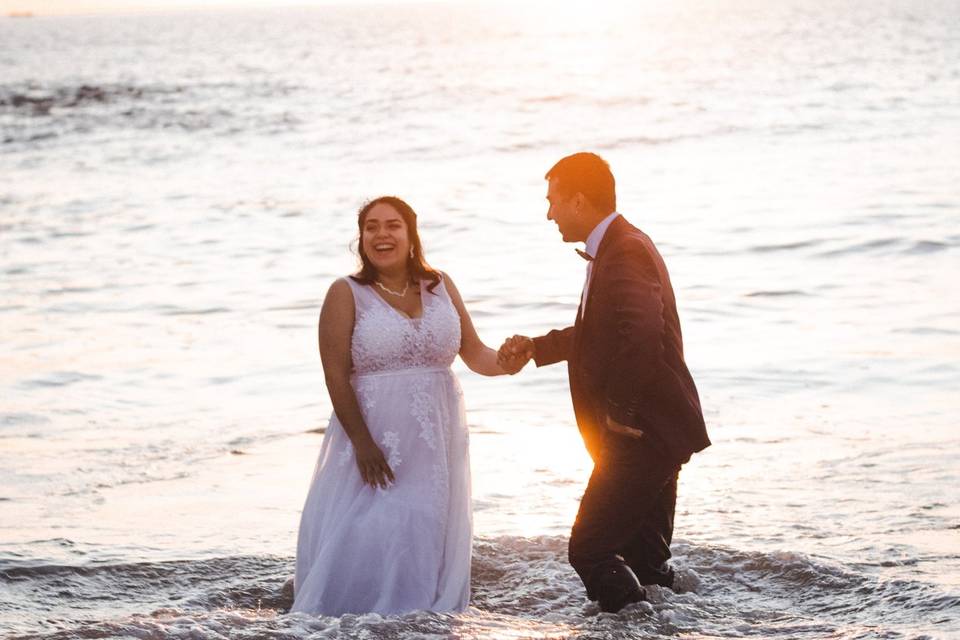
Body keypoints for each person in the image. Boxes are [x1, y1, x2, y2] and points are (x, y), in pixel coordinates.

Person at [498, 152, 711, 613]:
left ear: (578, 200)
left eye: (552, 200)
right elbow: (607, 331)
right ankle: (676, 622)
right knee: (646, 562)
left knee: (589, 550)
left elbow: (643, 331)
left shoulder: (626, 249)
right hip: (660, 431)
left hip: (640, 433)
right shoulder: (620, 243)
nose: (549, 212)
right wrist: (539, 346)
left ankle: (640, 627)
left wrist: (620, 411)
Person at [293, 196, 521, 616]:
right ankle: (351, 619)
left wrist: (508, 362)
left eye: (393, 225)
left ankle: (417, 620)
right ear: (360, 239)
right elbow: (334, 375)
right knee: (374, 527)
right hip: (374, 436)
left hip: (436, 440)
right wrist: (363, 444)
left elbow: (476, 355)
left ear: (411, 234)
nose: (382, 235)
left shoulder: (441, 285)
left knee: (423, 527)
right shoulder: (346, 293)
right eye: (372, 227)